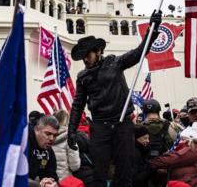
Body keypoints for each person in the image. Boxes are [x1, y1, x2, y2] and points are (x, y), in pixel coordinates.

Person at [67, 10, 162, 187]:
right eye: (83, 56)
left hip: (122, 125)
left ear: (98, 51)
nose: (85, 59)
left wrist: (152, 30)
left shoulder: (115, 63)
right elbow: (78, 105)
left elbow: (138, 53)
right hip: (99, 127)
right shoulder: (82, 76)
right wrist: (71, 131)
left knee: (125, 170)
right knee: (99, 172)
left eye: (88, 54)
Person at [150, 122, 197, 187]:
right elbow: (176, 169)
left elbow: (174, 159)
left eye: (183, 139)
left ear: (191, 139)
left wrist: (152, 163)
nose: (180, 141)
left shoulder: (195, 148)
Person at [29, 115, 59, 187]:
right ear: (36, 130)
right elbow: (15, 176)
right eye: (48, 134)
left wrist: (51, 183)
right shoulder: (23, 143)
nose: (52, 139)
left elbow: (52, 175)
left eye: (55, 135)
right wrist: (38, 185)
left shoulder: (48, 151)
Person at [52, 110, 81, 182]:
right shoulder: (70, 139)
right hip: (65, 181)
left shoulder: (47, 136)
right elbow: (75, 166)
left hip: (49, 181)